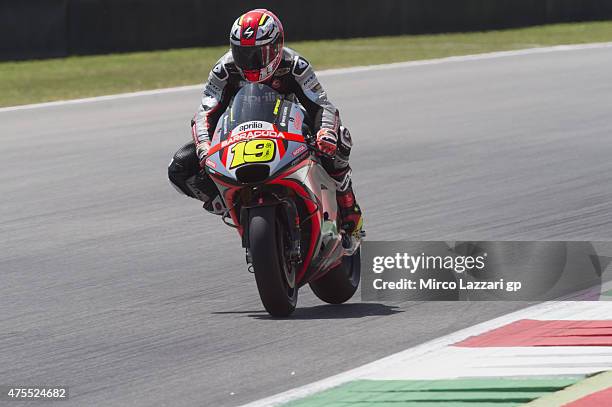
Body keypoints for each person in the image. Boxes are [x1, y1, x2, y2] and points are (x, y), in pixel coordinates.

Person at [168, 8, 362, 236]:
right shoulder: (224, 69)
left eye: (258, 54)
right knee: (180, 166)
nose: (249, 62)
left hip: (290, 127)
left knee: (339, 137)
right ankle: (226, 203)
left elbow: (321, 104)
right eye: (242, 53)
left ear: (277, 45)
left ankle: (347, 203)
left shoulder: (295, 65)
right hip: (238, 133)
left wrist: (325, 132)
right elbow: (205, 113)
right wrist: (203, 146)